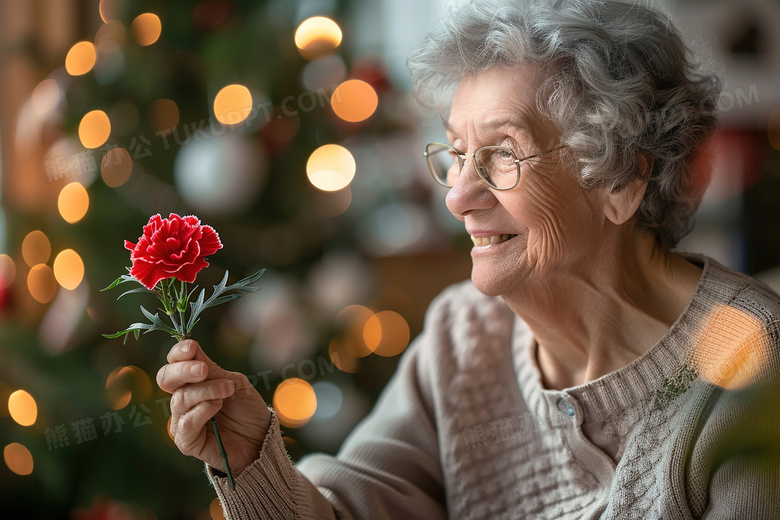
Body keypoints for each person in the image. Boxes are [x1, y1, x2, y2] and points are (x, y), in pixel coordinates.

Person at [156, 1, 780, 518]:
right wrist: (250, 462)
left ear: (622, 179)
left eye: (503, 153)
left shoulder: (750, 368)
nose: (457, 196)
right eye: (456, 152)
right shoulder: (463, 337)